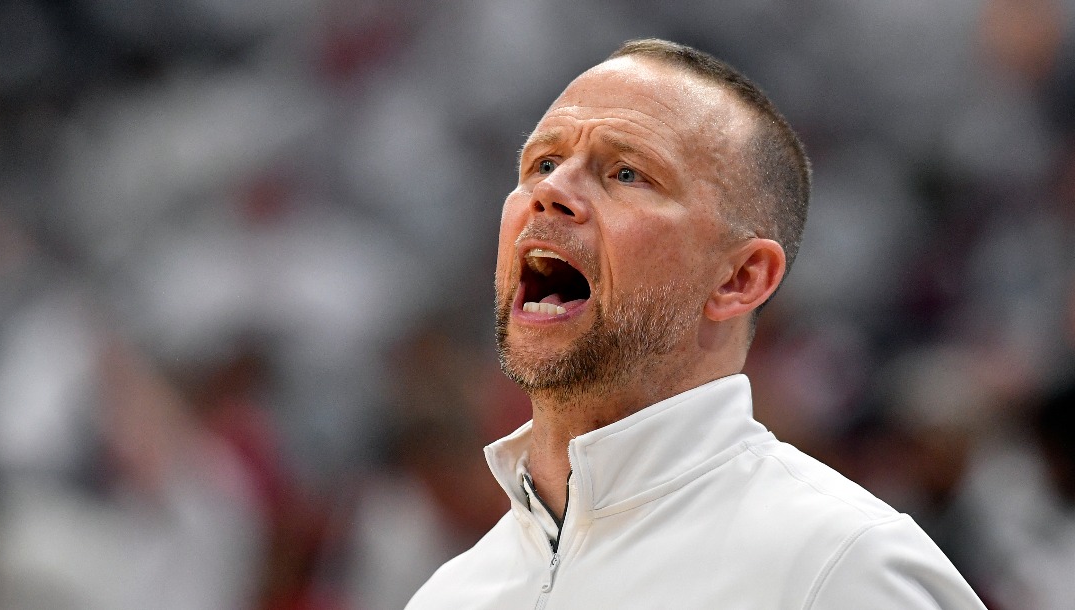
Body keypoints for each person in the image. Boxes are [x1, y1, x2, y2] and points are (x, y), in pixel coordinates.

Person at [405, 38, 987, 609]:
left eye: (627, 173)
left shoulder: (840, 567)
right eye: (543, 162)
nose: (551, 191)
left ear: (740, 279)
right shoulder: (450, 595)